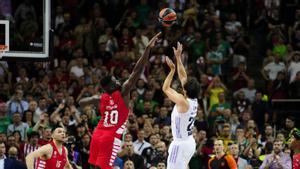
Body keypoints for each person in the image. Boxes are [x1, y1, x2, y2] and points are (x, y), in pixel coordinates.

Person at [78, 32, 161, 169]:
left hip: (97, 134)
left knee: (95, 166)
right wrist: (147, 49)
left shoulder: (101, 97)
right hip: (110, 137)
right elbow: (137, 70)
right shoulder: (123, 91)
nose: (117, 81)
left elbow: (81, 102)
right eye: (114, 81)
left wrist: (94, 99)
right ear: (110, 86)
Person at [162, 42, 201, 169]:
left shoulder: (183, 102)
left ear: (185, 91)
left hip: (180, 144)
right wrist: (178, 58)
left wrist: (172, 70)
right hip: (189, 142)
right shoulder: (194, 99)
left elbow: (166, 88)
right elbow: (183, 76)